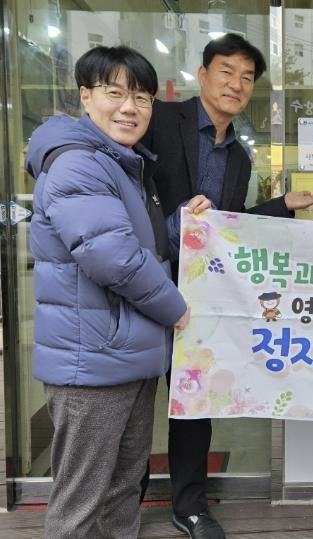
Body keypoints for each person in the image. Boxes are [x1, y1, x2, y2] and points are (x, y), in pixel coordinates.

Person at [140, 33, 313, 539]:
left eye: (247, 77)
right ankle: (123, 503)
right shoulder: (160, 120)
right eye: (226, 71)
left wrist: (283, 205)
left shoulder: (240, 158)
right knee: (132, 404)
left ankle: (189, 506)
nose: (236, 84)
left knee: (193, 402)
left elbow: (230, 224)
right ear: (202, 75)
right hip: (141, 285)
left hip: (197, 297)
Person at [25, 46, 190, 538]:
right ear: (86, 96)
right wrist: (176, 309)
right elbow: (113, 258)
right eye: (114, 93)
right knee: (81, 499)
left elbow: (142, 246)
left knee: (123, 486)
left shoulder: (122, 164)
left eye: (141, 97)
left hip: (126, 355)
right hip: (92, 362)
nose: (129, 108)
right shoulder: (78, 165)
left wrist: (184, 223)